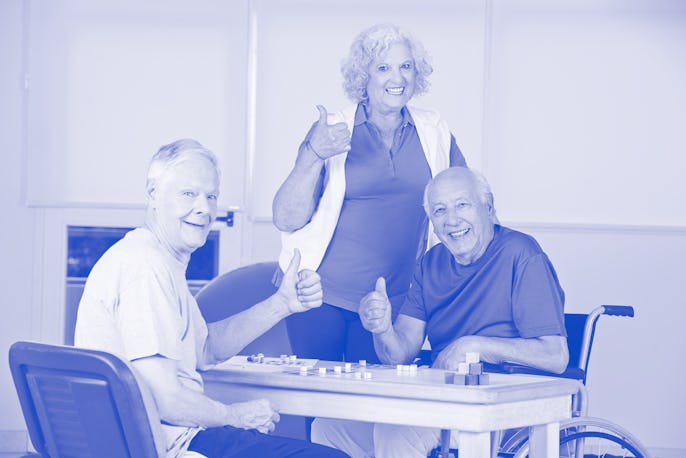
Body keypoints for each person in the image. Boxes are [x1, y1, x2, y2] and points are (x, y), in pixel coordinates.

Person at [74, 139, 348, 458]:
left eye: (211, 196)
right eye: (188, 194)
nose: (204, 208)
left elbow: (205, 348)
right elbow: (168, 401)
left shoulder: (157, 261)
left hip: (172, 437)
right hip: (170, 444)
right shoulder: (144, 267)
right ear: (152, 194)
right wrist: (235, 416)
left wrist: (282, 303)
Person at [311, 166, 569, 458]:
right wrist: (383, 329)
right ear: (432, 221)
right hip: (443, 398)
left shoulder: (522, 254)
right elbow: (399, 353)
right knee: (329, 427)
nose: (452, 220)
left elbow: (555, 356)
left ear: (488, 206)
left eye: (462, 205)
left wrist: (475, 346)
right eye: (440, 210)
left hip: (503, 406)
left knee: (396, 432)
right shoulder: (430, 263)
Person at [272, 23, 467, 364]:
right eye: (383, 68)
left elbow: (466, 201)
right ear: (364, 77)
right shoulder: (333, 130)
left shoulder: (434, 130)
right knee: (321, 408)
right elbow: (286, 218)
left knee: (378, 405)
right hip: (321, 293)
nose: (398, 78)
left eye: (405, 66)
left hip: (391, 301)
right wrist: (313, 155)